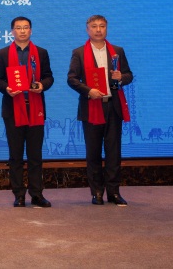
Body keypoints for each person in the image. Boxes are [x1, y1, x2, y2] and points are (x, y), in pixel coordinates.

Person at [67, 15, 133, 206]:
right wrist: (88, 91)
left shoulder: (117, 52)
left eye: (102, 26)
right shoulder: (79, 52)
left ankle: (114, 192)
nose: (98, 30)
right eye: (94, 26)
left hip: (113, 106)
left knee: (114, 152)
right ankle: (96, 192)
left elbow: (129, 75)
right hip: (91, 106)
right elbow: (72, 79)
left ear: (106, 28)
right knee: (93, 152)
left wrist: (121, 77)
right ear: (87, 29)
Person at [0, 17, 54, 208]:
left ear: (31, 30)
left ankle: (37, 194)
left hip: (35, 107)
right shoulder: (3, 53)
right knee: (16, 155)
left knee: (35, 155)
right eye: (18, 28)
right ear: (12, 31)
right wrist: (7, 89)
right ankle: (18, 194)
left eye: (26, 27)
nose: (22, 31)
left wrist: (42, 85)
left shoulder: (41, 53)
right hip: (13, 108)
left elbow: (49, 77)